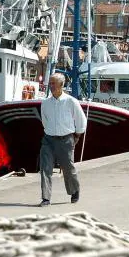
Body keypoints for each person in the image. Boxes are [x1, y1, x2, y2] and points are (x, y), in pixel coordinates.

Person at [39, 72, 87, 207]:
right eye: (50, 83)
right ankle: (46, 198)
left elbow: (81, 120)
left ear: (61, 85)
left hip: (66, 139)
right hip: (48, 139)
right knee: (45, 168)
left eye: (54, 83)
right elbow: (45, 121)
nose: (51, 86)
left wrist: (77, 135)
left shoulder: (71, 101)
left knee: (67, 167)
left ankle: (74, 190)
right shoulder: (45, 103)